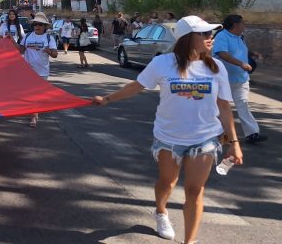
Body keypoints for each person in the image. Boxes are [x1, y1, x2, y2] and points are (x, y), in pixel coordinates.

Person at [91, 15, 243, 244]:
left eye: (210, 33)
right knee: (167, 183)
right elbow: (137, 85)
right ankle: (161, 212)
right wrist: (108, 99)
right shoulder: (162, 63)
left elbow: (224, 107)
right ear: (187, 38)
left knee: (194, 191)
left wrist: (234, 143)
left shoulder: (216, 67)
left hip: (204, 139)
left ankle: (189, 241)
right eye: (204, 34)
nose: (210, 37)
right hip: (168, 138)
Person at [212, 14, 267, 143]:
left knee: (243, 105)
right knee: (221, 106)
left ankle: (252, 133)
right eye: (242, 23)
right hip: (224, 79)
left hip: (241, 79)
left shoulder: (239, 37)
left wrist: (252, 53)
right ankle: (219, 133)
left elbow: (240, 51)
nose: (244, 26)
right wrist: (241, 64)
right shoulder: (222, 36)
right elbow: (222, 53)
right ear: (235, 25)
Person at [18, 12, 57, 127]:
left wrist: (49, 51)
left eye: (40, 24)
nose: (37, 26)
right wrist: (10, 41)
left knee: (37, 94)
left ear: (45, 26)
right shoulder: (28, 36)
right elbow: (20, 50)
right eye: (35, 24)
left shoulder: (49, 38)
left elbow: (55, 54)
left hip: (42, 71)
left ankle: (34, 115)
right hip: (28, 70)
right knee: (31, 94)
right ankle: (34, 115)